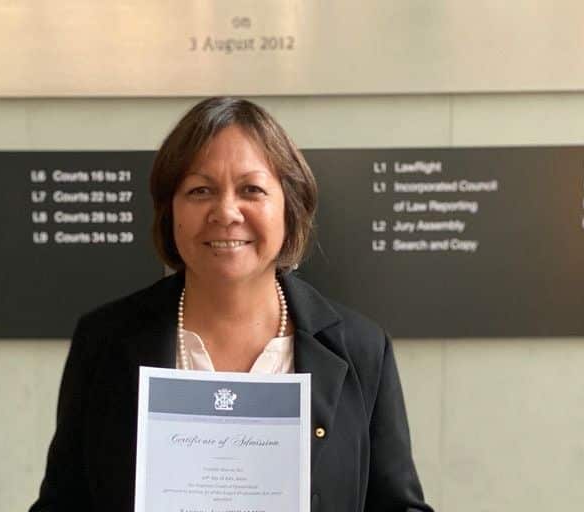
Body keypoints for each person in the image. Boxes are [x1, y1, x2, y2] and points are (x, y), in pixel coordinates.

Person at [30, 97, 433, 512]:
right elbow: (63, 502)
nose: (225, 212)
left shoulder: (362, 349)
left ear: (289, 208)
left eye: (251, 190)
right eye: (200, 190)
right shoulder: (105, 341)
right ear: (170, 211)